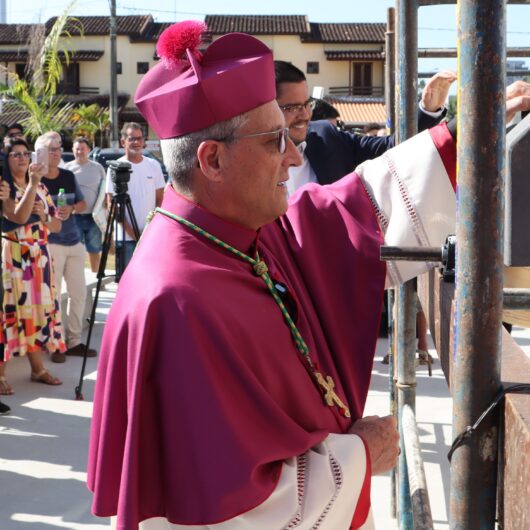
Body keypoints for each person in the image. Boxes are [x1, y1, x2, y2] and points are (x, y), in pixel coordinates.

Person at [88, 22, 530, 529]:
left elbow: (354, 207)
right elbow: (226, 513)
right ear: (212, 159)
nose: (295, 156)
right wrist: (358, 456)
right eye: (276, 139)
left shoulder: (240, 234)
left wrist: (461, 137)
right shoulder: (175, 300)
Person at [274, 61, 455, 195]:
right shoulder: (248, 155)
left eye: (307, 104)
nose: (305, 115)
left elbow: (391, 147)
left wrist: (427, 109)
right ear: (270, 108)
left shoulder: (326, 138)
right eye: (294, 108)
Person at [0, 139, 65, 395]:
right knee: (9, 313)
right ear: (7, 160)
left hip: (40, 257)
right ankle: (2, 375)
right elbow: (18, 216)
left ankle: (37, 369)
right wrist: (34, 186)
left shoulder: (44, 188)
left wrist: (46, 216)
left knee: (37, 311)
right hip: (14, 256)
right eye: (15, 155)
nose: (22, 158)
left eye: (25, 153)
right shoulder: (5, 187)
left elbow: (57, 226)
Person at [37, 133, 96, 362]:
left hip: (74, 241)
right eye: (51, 149)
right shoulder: (36, 180)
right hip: (51, 243)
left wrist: (71, 208)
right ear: (41, 152)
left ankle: (74, 342)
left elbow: (82, 203)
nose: (56, 152)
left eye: (58, 148)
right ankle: (56, 343)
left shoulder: (69, 176)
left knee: (78, 294)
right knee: (54, 296)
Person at [104, 122, 165, 273]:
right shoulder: (115, 167)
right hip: (125, 239)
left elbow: (161, 200)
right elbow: (111, 204)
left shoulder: (154, 165)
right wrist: (134, 234)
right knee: (126, 284)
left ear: (144, 141)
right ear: (123, 141)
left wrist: (149, 231)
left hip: (151, 237)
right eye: (132, 139)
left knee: (150, 281)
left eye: (139, 138)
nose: (136, 142)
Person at [66, 137, 107, 273]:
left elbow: (105, 190)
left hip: (94, 218)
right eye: (77, 148)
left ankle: (96, 279)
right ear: (72, 150)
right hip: (74, 217)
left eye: (82, 149)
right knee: (76, 252)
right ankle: (80, 281)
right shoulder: (67, 169)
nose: (80, 151)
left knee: (94, 250)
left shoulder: (98, 168)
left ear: (89, 150)